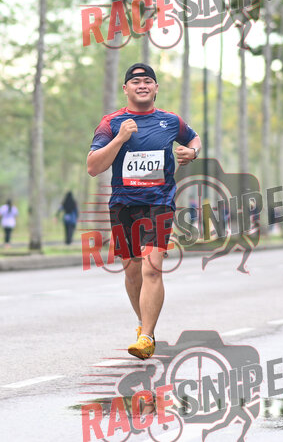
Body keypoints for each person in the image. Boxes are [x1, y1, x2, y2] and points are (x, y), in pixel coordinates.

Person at [87, 63, 201, 360]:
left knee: (152, 267)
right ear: (125, 89)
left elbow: (193, 138)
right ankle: (142, 323)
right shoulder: (111, 123)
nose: (142, 85)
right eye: (135, 81)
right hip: (123, 204)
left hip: (158, 203)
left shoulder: (170, 121)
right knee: (132, 270)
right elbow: (93, 167)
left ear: (156, 88)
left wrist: (192, 152)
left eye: (148, 81)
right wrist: (120, 139)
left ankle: (147, 336)